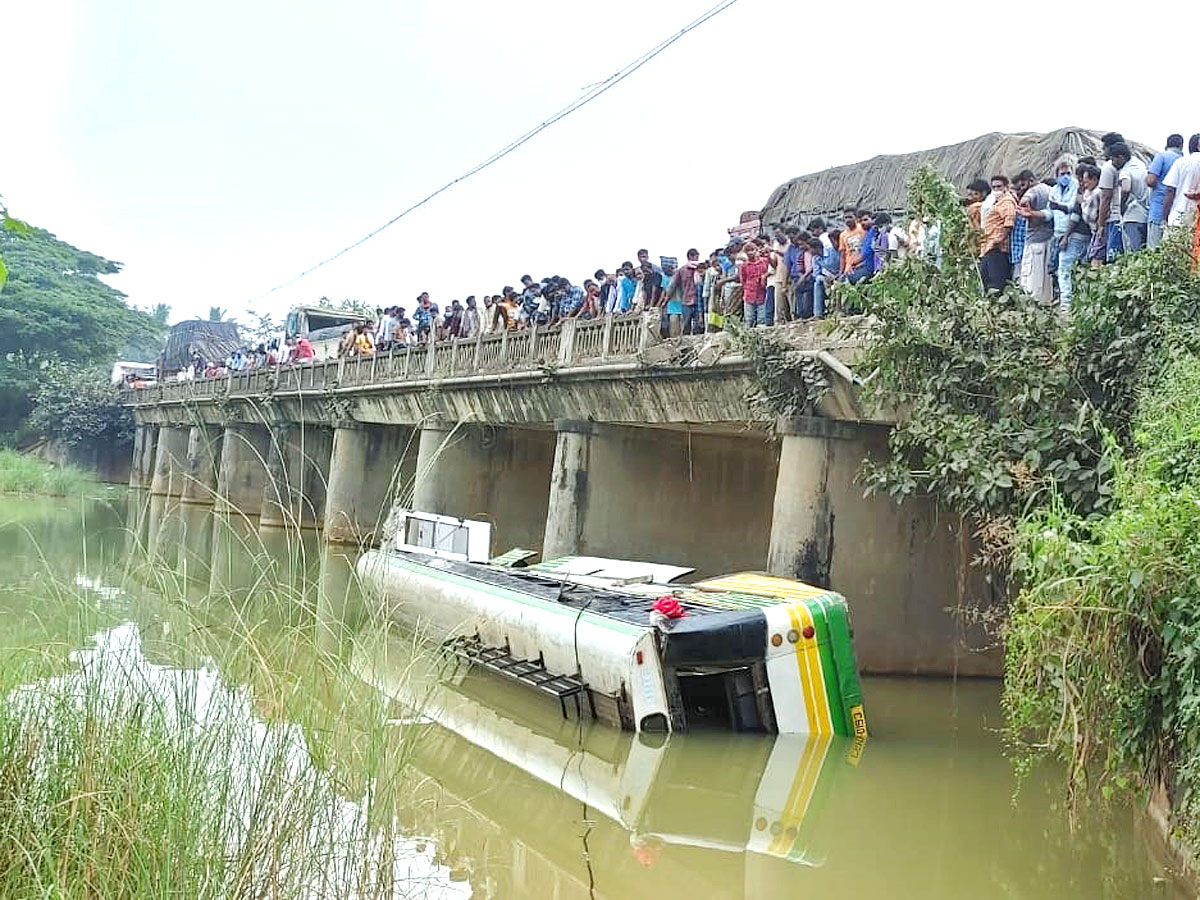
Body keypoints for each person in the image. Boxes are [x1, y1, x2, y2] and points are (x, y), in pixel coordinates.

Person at [1057, 163, 1100, 309]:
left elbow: (1075, 217)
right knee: (1082, 271)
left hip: (1077, 236)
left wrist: (1065, 237)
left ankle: (1066, 306)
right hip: (1089, 237)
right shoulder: (1093, 191)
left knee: (1064, 270)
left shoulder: (1084, 193)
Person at [1016, 173, 1055, 304]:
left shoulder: (1033, 190)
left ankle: (1032, 306)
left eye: (1023, 185)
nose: (1021, 189)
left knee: (1031, 280)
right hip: (1048, 239)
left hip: (1035, 242)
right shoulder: (1050, 190)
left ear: (1031, 181)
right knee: (1044, 280)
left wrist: (1024, 204)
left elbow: (1026, 198)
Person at [1146, 134, 1185, 248]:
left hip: (1158, 209)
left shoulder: (1161, 157)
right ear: (1181, 146)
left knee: (1154, 250)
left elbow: (1150, 181)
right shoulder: (1183, 161)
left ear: (1166, 144)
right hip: (1176, 214)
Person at [979, 175, 1016, 291]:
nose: (996, 190)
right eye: (994, 187)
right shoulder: (996, 202)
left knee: (996, 282)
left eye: (999, 186)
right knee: (986, 279)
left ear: (1006, 187)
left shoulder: (1007, 202)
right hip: (988, 246)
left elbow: (1009, 223)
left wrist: (998, 240)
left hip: (997, 248)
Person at [1110, 143, 1149, 253]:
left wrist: (1121, 207)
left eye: (1113, 159)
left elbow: (1126, 188)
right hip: (1145, 214)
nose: (1112, 163)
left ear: (1121, 158)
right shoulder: (1140, 164)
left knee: (1133, 252)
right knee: (1143, 251)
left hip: (1132, 216)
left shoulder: (1125, 171)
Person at [1095, 132, 1127, 261]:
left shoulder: (1108, 167)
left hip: (1114, 218)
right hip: (1128, 216)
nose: (1103, 152)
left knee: (1113, 259)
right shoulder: (1131, 164)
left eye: (1104, 148)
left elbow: (1106, 197)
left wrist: (1101, 225)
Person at [1046, 157, 1078, 282]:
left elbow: (1072, 207)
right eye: (1062, 174)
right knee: (1054, 268)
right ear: (1057, 175)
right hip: (1057, 232)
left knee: (1067, 268)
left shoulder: (1076, 186)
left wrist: (1058, 206)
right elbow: (1049, 212)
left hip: (1071, 232)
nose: (1065, 177)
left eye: (1068, 173)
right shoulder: (1054, 190)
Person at [1163, 134, 1200, 232]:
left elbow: (1170, 190)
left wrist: (1164, 217)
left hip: (1178, 218)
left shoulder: (1181, 162)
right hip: (1197, 222)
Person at [737, 241, 769, 327]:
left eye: (752, 250)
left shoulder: (764, 262)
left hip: (762, 292)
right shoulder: (744, 266)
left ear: (756, 250)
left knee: (761, 318)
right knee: (749, 318)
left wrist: (763, 278)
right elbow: (743, 280)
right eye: (748, 251)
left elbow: (768, 272)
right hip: (749, 294)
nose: (750, 252)